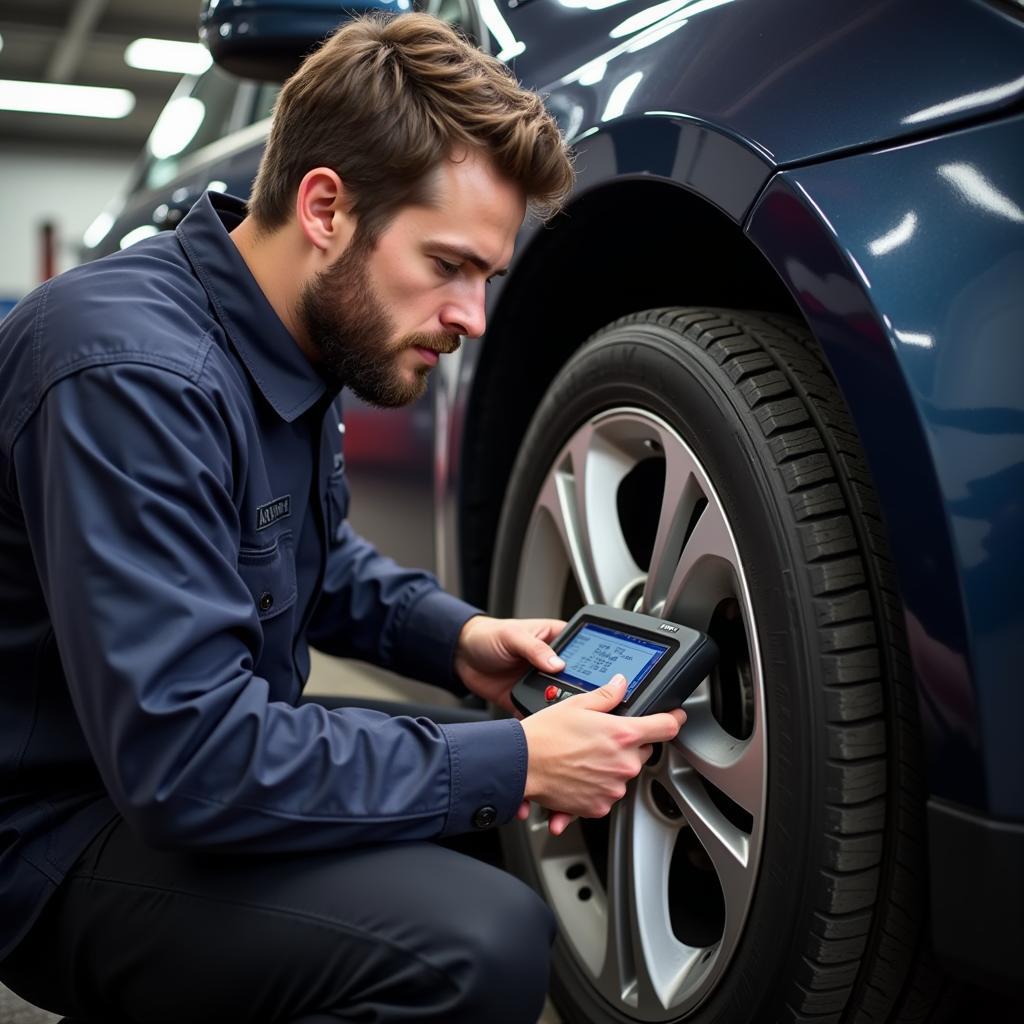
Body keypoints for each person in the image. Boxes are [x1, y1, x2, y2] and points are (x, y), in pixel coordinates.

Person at [0, 13, 685, 1023]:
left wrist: (456, 637)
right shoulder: (133, 371)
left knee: (480, 805)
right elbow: (188, 761)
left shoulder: (285, 333)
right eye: (449, 264)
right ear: (325, 206)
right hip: (57, 834)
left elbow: (301, 561)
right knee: (480, 946)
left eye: (486, 278)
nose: (474, 318)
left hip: (166, 762)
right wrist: (517, 760)